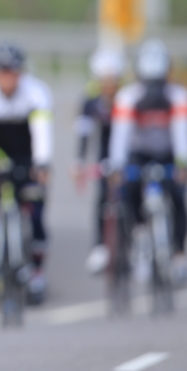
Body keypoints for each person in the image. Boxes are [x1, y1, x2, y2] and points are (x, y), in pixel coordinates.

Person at [108, 38, 187, 285]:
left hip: (168, 152)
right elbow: (120, 136)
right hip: (140, 152)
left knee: (178, 196)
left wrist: (183, 164)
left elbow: (182, 135)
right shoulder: (127, 97)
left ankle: (179, 254)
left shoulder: (179, 97)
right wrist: (117, 166)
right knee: (129, 191)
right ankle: (139, 235)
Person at [0, 43, 53, 304]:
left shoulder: (36, 92)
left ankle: (36, 271)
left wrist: (42, 163)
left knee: (36, 202)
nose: (8, 78)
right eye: (2, 72)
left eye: (13, 72)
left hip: (24, 148)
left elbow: (41, 131)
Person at [76, 47, 126, 275]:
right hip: (105, 154)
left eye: (112, 80)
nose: (108, 86)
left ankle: (135, 244)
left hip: (128, 151)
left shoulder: (127, 99)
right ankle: (99, 246)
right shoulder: (90, 103)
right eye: (103, 81)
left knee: (131, 197)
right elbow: (84, 134)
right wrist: (79, 162)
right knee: (102, 198)